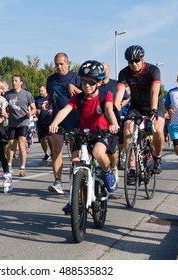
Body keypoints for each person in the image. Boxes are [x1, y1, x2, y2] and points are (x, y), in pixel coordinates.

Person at [49, 60, 119, 212]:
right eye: (84, 82)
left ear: (98, 83)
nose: (86, 85)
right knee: (74, 161)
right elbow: (65, 110)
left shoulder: (105, 95)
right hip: (84, 135)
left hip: (102, 133)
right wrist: (55, 123)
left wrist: (114, 124)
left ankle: (108, 173)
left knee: (98, 152)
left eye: (91, 82)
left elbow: (108, 110)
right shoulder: (78, 98)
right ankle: (74, 199)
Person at [114, 45, 165, 185]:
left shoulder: (153, 70)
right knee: (127, 129)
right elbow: (119, 93)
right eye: (130, 61)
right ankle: (131, 168)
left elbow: (154, 93)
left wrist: (153, 111)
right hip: (136, 106)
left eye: (136, 60)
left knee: (158, 129)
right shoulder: (124, 73)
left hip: (154, 104)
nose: (134, 64)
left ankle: (158, 157)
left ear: (143, 59)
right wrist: (115, 109)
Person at [46, 52, 81, 194]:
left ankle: (77, 180)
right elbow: (50, 95)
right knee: (56, 150)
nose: (59, 67)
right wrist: (47, 105)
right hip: (57, 119)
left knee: (76, 153)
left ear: (68, 63)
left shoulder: (76, 77)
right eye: (57, 64)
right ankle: (57, 182)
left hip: (74, 119)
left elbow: (86, 96)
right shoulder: (51, 80)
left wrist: (75, 89)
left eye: (62, 64)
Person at [99, 62, 130, 181]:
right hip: (100, 120)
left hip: (114, 119)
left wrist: (120, 105)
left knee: (116, 147)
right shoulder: (96, 85)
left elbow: (127, 97)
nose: (104, 71)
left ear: (109, 71)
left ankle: (114, 166)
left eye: (105, 69)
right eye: (101, 69)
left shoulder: (116, 84)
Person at [5, 75, 37, 177]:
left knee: (21, 143)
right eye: (13, 81)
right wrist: (4, 113)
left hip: (23, 122)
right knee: (11, 145)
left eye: (16, 81)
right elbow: (3, 107)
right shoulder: (8, 94)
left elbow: (34, 108)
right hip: (12, 123)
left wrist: (31, 113)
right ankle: (9, 165)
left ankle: (22, 167)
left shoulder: (27, 94)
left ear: (21, 82)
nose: (14, 83)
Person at [35, 85, 53, 161]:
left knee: (49, 138)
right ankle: (46, 153)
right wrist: (36, 113)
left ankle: (52, 152)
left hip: (49, 121)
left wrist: (52, 111)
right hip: (41, 121)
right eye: (39, 91)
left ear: (46, 90)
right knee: (42, 139)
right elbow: (34, 108)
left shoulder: (50, 98)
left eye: (42, 91)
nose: (40, 92)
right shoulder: (37, 99)